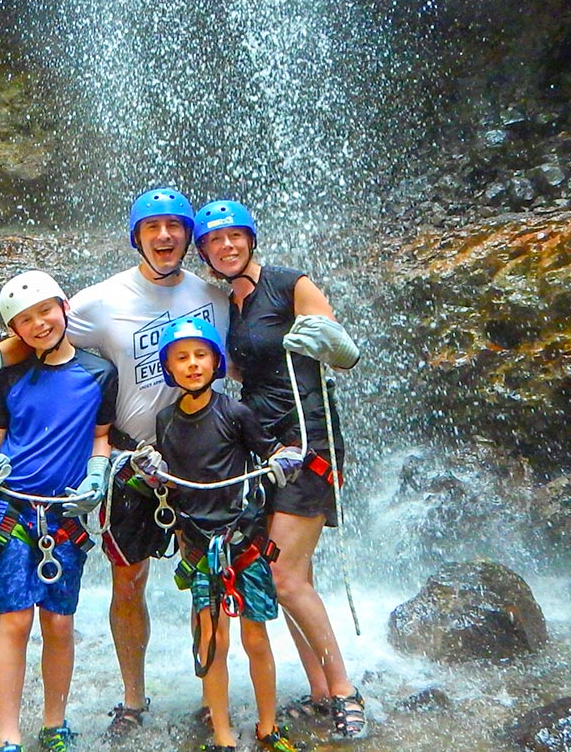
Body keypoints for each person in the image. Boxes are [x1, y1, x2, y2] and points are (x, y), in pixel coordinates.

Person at [0, 188, 230, 737]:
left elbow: (255, 325)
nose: (164, 236)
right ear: (136, 236)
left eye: (174, 226)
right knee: (127, 580)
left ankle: (215, 703)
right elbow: (42, 331)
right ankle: (134, 699)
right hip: (129, 460)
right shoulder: (97, 300)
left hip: (200, 454)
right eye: (152, 227)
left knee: (207, 576)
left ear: (189, 236)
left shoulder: (216, 296)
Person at [192, 199, 368, 741]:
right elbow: (236, 373)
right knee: (285, 574)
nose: (227, 247)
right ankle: (318, 690)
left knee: (286, 576)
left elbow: (343, 351)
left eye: (235, 237)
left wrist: (328, 341)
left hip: (307, 440)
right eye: (215, 241)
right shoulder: (231, 305)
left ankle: (343, 690)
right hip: (260, 448)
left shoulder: (292, 284)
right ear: (205, 252)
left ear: (250, 240)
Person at [0, 270, 118, 752]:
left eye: (44, 311)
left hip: (66, 513)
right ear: (15, 331)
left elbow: (99, 438)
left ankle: (55, 723)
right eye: (25, 320)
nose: (39, 324)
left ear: (63, 308)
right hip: (11, 509)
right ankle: (8, 733)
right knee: (15, 620)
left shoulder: (98, 373)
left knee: (58, 621)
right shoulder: (9, 376)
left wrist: (99, 476)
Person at [152, 316, 303, 752]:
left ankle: (268, 727)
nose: (193, 365)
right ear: (169, 368)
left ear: (216, 362)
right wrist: (150, 471)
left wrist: (286, 458)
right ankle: (222, 734)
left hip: (243, 542)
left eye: (201, 356)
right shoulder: (165, 421)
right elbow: (167, 475)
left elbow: (269, 452)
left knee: (256, 637)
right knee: (212, 639)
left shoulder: (236, 413)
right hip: (200, 546)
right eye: (182, 358)